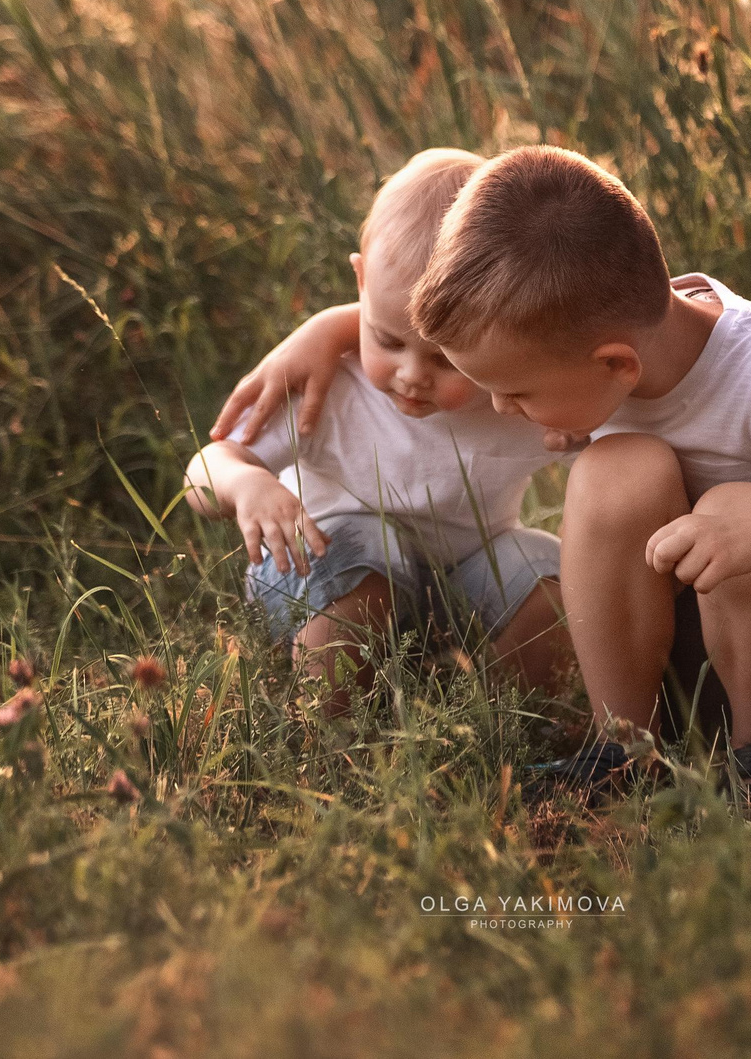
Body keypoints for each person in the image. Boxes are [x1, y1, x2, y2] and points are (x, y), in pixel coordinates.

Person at [213, 145, 751, 800]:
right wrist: (331, 329)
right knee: (617, 469)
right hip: (674, 644)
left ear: (615, 366)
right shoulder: (587, 323)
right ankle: (625, 746)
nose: (501, 408)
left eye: (518, 394)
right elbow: (467, 246)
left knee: (738, 505)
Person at [182, 149, 577, 716]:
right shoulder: (329, 386)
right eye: (388, 341)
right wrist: (245, 483)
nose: (411, 375)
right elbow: (206, 467)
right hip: (316, 579)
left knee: (542, 565)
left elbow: (612, 436)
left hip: (452, 592)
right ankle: (333, 730)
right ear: (361, 281)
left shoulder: (515, 402)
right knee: (368, 546)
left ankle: (500, 723)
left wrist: (578, 431)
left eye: (445, 358)